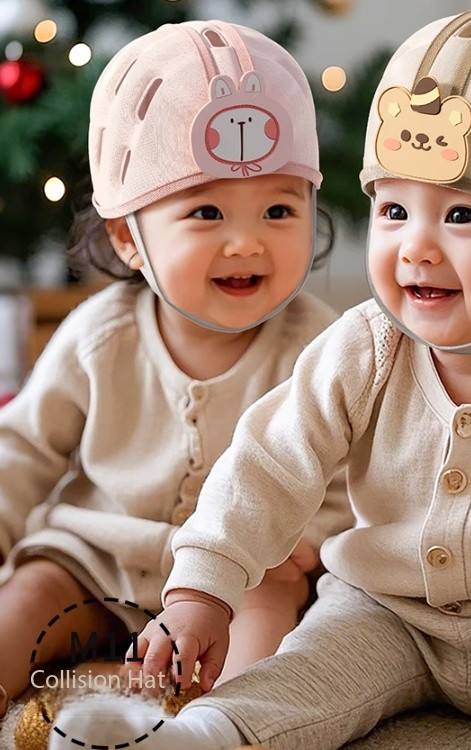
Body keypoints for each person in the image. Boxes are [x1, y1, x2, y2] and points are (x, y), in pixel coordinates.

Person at [50, 6, 471, 750]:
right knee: (304, 673)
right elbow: (266, 468)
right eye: (394, 209)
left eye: (461, 216)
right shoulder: (361, 350)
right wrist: (203, 590)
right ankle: (201, 738)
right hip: (387, 613)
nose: (414, 247)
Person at [0, 19, 352, 722]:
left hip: (245, 570)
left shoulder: (322, 346)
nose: (246, 241)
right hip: (96, 557)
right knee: (30, 593)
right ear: (129, 236)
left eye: (279, 209)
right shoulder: (100, 335)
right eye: (207, 211)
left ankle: (225, 725)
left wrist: (311, 540)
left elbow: (356, 476)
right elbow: (23, 451)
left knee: (270, 618)